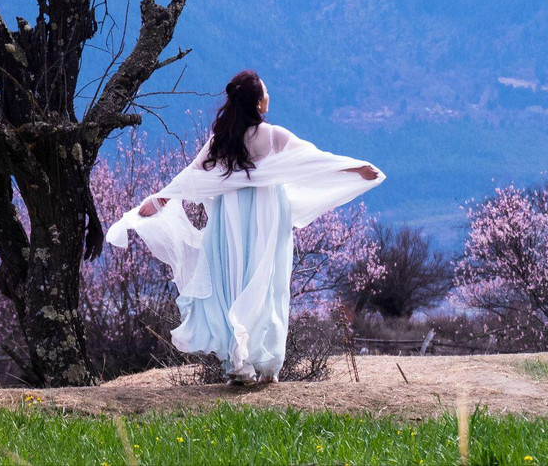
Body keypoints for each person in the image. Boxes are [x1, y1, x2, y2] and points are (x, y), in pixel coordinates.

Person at [106, 70, 384, 384]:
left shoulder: (221, 140)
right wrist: (355, 168)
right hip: (266, 216)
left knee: (231, 285)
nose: (268, 97)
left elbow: (190, 176)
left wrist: (159, 200)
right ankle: (264, 365)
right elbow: (315, 160)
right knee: (267, 285)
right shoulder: (273, 135)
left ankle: (239, 363)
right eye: (265, 93)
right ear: (258, 104)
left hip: (229, 220)